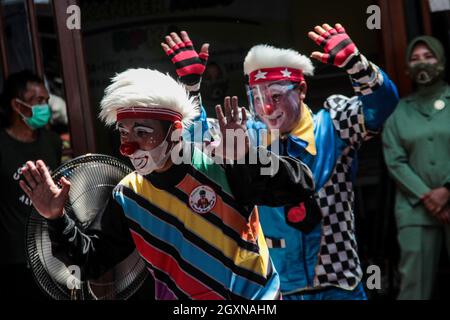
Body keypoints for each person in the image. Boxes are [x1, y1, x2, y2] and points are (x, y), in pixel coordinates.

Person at [20, 68, 315, 300]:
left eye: (142, 131)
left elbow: (300, 185)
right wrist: (55, 218)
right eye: (124, 133)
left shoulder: (222, 162)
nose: (129, 145)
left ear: (174, 132)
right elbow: (91, 261)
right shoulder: (128, 195)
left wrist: (247, 155)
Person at [162, 24, 399, 299]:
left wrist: (356, 64)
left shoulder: (334, 124)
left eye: (275, 96)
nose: (267, 109)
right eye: (257, 99)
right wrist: (191, 88)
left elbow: (383, 106)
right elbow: (196, 144)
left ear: (301, 89)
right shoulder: (246, 133)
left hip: (340, 287)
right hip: (276, 290)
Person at [382, 35, 450, 300]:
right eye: (415, 58)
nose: (422, 63)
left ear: (441, 60)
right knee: (414, 287)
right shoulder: (399, 112)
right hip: (415, 211)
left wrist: (446, 191)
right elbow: (395, 161)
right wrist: (428, 197)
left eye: (428, 56)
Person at [0, 70, 62, 299]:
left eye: (46, 100)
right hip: (14, 259)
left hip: (52, 251)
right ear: (17, 105)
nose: (45, 106)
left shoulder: (52, 141)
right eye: (38, 101)